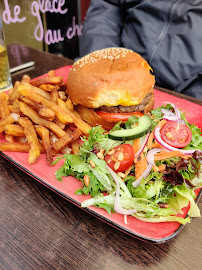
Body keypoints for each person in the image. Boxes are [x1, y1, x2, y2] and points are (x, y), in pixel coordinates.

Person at [79, 0, 202, 100]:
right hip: (121, 76)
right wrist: (103, 65)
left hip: (184, 94)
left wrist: (182, 99)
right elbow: (106, 8)